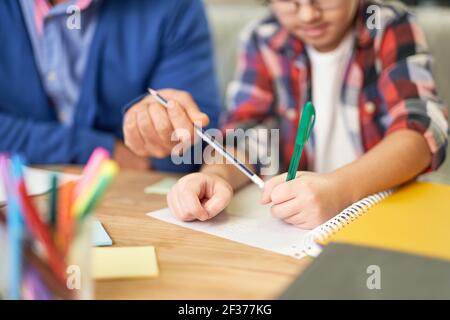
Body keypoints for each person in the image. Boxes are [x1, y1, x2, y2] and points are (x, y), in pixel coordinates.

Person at [134, 0, 448, 229]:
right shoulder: (263, 37)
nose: (309, 13)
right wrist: (215, 176)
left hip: (387, 216)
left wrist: (341, 189)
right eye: (290, 1)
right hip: (299, 229)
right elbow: (250, 132)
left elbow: (421, 131)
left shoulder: (390, 25)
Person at [0, 0, 220, 173]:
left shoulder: (174, 8)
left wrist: (161, 133)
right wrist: (104, 151)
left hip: (125, 202)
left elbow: (192, 154)